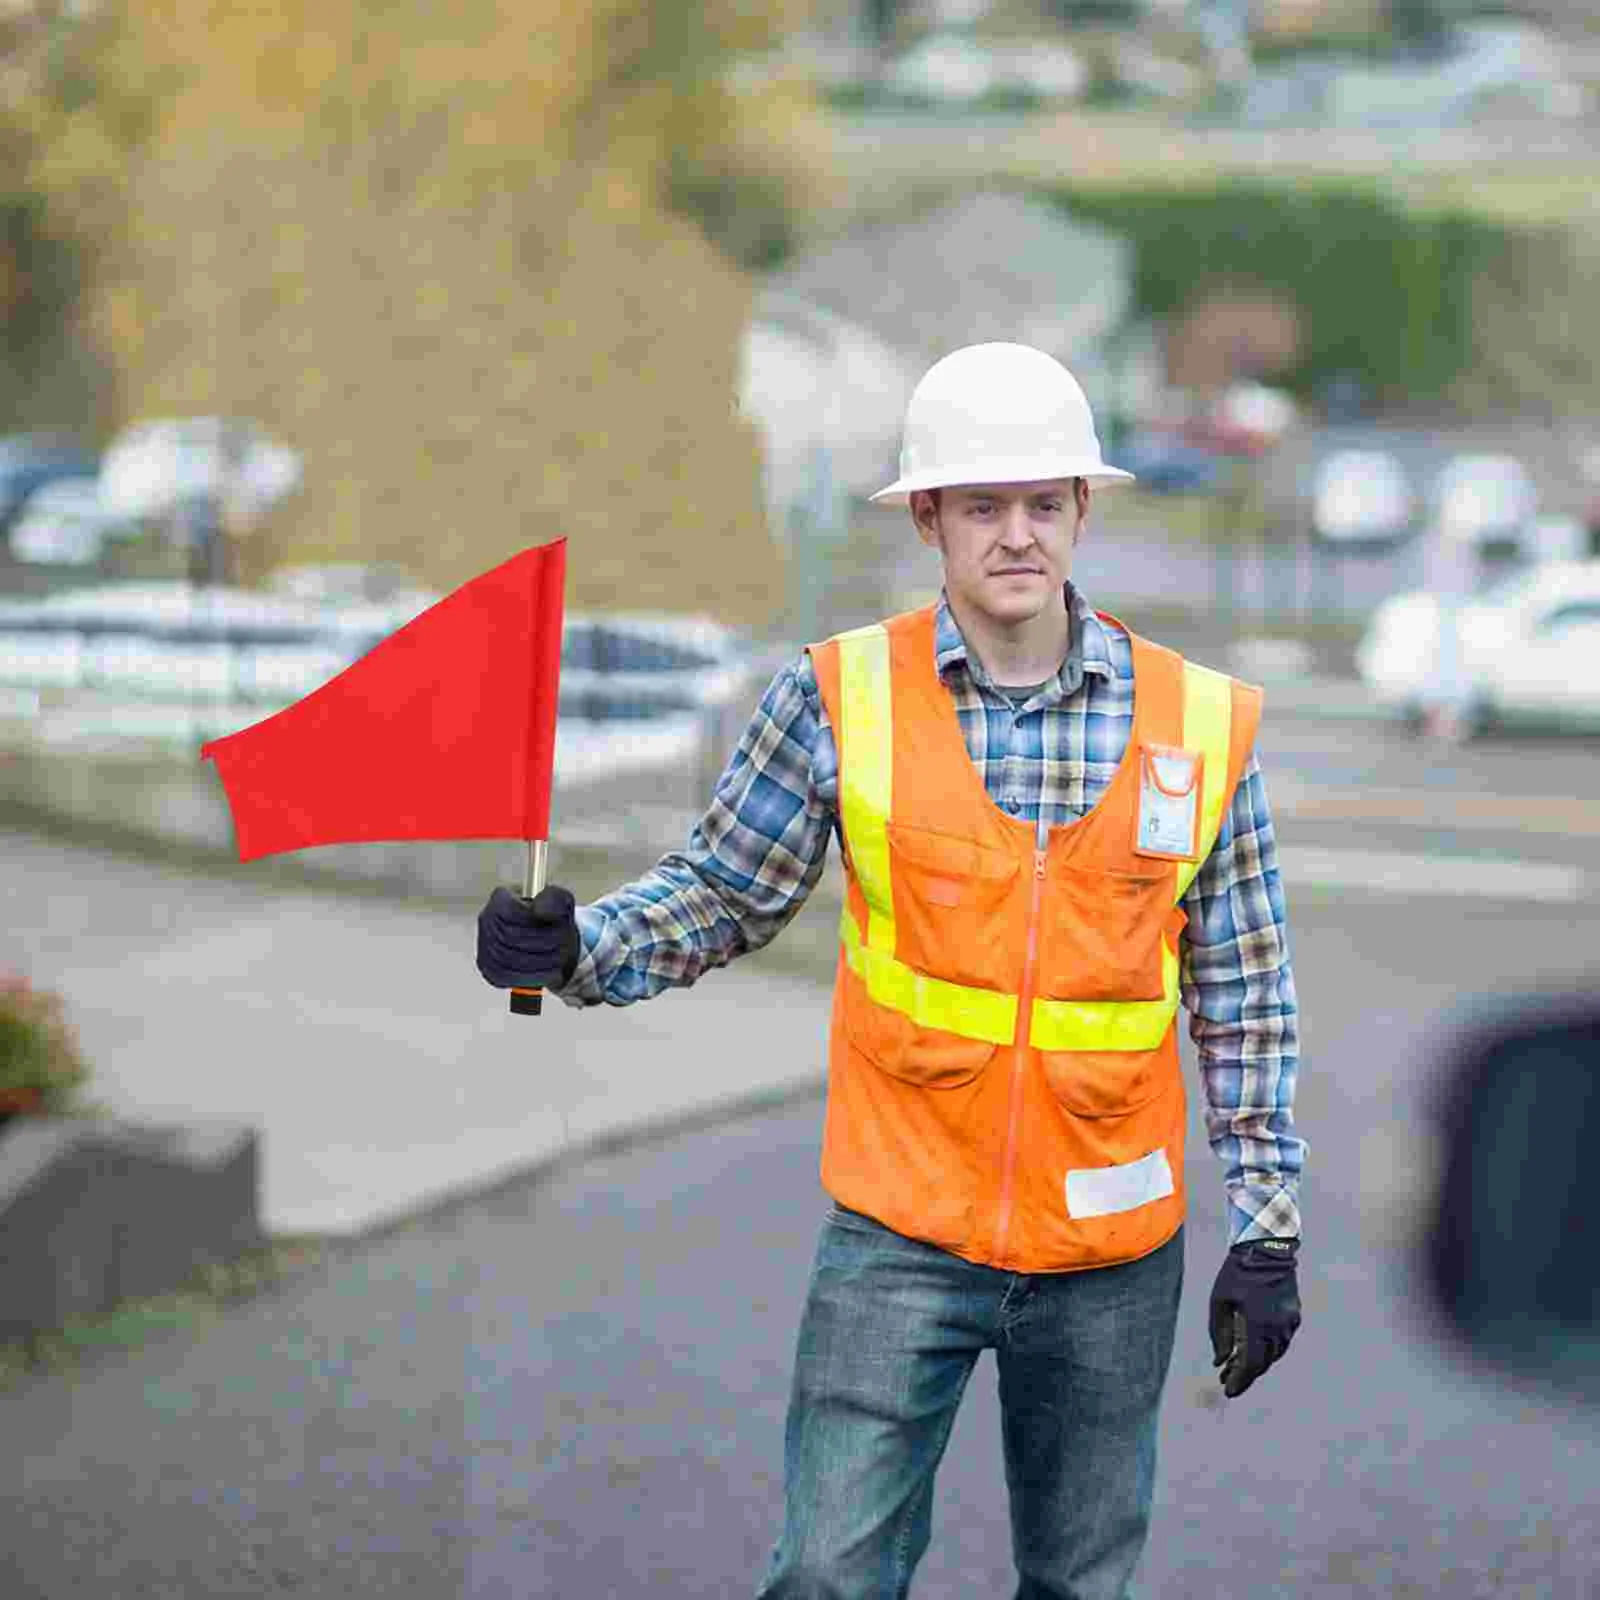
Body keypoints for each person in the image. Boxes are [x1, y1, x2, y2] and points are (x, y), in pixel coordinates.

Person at [477, 342, 1305, 1599]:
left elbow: (1244, 994)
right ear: (928, 516)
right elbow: (720, 889)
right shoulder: (837, 696)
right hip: (900, 1228)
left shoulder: (1199, 723)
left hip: (1109, 1252)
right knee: (827, 1574)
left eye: (1043, 502)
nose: (1017, 535)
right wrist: (578, 944)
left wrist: (1269, 1228)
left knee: (1083, 1585)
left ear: (1083, 508)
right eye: (983, 504)